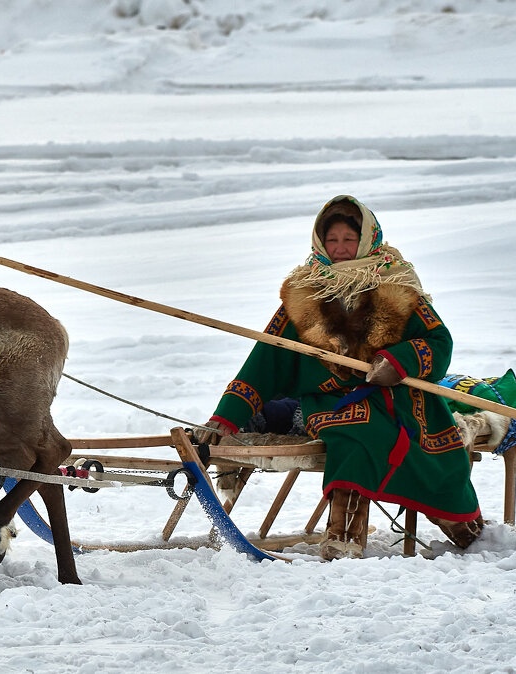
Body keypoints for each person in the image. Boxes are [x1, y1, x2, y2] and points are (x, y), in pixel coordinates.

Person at [194, 195, 485, 560]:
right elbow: (264, 361)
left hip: (400, 398)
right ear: (320, 242)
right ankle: (344, 540)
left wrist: (398, 361)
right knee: (356, 435)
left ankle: (468, 530)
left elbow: (439, 342)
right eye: (333, 240)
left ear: (366, 239)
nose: (341, 249)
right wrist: (225, 417)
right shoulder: (306, 292)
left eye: (349, 239)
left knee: (437, 449)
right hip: (333, 402)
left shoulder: (396, 284)